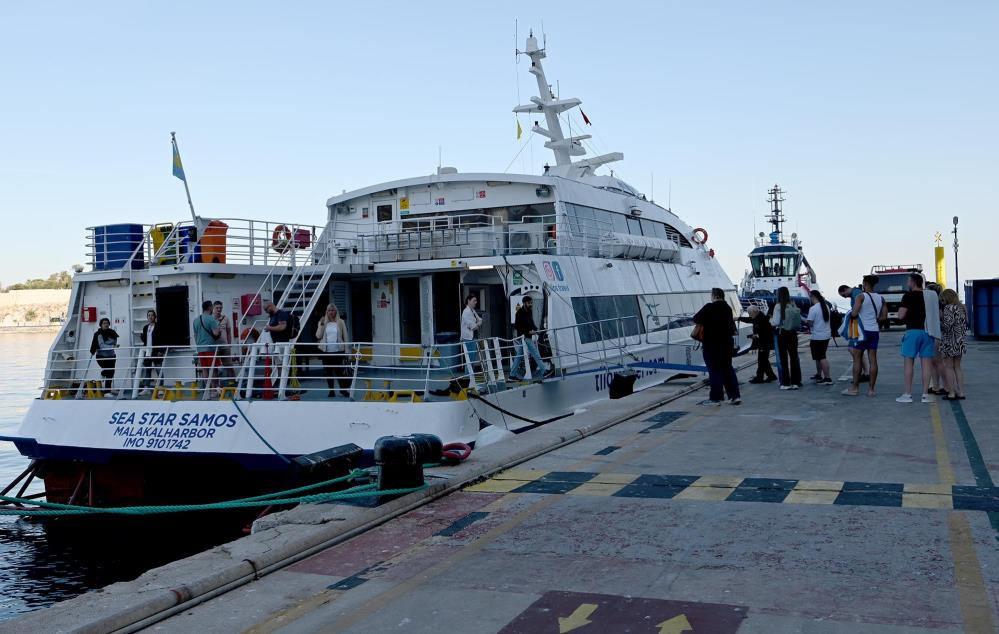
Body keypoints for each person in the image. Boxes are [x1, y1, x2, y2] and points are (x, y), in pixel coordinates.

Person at [693, 288, 741, 405]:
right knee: (728, 369)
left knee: (714, 371)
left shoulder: (709, 307)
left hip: (711, 344)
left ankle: (716, 398)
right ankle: (734, 396)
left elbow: (695, 319)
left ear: (714, 296)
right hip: (726, 344)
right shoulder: (728, 308)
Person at [896, 273, 938, 403]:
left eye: (908, 281)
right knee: (926, 365)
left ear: (913, 282)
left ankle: (908, 394)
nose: (907, 283)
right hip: (928, 331)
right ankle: (925, 394)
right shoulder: (931, 296)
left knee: (909, 363)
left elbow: (900, 315)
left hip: (912, 331)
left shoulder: (908, 296)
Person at [842, 275, 886, 397]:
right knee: (873, 360)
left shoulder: (860, 296)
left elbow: (855, 313)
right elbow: (883, 317)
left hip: (862, 332)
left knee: (857, 359)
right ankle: (871, 390)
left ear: (865, 283)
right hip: (874, 331)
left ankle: (855, 388)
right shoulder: (881, 298)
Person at [509, 296, 552, 381]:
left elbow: (531, 323)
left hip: (527, 336)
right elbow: (517, 326)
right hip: (524, 337)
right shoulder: (519, 313)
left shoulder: (529, 311)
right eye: (529, 303)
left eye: (531, 303)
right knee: (535, 353)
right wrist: (528, 332)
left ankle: (511, 376)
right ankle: (544, 371)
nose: (531, 304)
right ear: (524, 303)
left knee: (519, 356)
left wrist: (537, 330)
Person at [316, 303, 351, 398]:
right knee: (328, 372)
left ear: (336, 311)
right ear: (326, 312)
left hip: (338, 351)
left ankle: (343, 390)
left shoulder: (341, 322)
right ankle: (331, 390)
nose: (331, 312)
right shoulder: (323, 322)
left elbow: (346, 337)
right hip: (326, 351)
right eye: (329, 310)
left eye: (333, 310)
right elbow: (318, 336)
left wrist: (347, 351)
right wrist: (321, 324)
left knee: (339, 371)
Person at [938, 288, 967, 400]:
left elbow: (947, 327)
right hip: (959, 341)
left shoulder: (949, 308)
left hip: (950, 342)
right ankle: (961, 392)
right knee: (958, 367)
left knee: (948, 367)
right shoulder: (962, 308)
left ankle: (951, 393)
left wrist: (939, 320)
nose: (942, 302)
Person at [770, 287, 802, 390]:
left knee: (783, 359)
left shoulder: (778, 306)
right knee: (794, 358)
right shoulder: (793, 304)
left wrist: (770, 320)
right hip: (793, 333)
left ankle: (785, 383)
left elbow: (775, 322)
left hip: (782, 333)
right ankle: (796, 382)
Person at [838, 283, 869, 381]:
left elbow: (857, 309)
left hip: (858, 325)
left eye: (843, 295)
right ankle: (866, 372)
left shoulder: (856, 293)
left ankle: (863, 373)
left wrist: (851, 315)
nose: (844, 297)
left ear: (845, 289)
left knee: (853, 349)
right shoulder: (856, 293)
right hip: (857, 325)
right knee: (856, 350)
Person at [738, 306, 777, 384]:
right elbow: (749, 320)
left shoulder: (761, 319)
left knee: (761, 360)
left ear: (755, 312)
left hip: (764, 342)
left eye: (750, 313)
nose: (749, 315)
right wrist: (739, 318)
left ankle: (760, 377)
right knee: (764, 360)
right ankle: (771, 376)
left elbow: (764, 332)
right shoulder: (758, 317)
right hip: (764, 342)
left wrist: (755, 336)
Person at [192, 300, 222, 394]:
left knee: (205, 369)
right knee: (213, 369)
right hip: (210, 347)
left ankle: (207, 390)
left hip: (200, 348)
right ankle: (214, 390)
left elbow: (195, 336)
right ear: (210, 307)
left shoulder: (196, 320)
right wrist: (219, 330)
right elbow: (216, 333)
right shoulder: (211, 319)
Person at [805, 290, 833, 384]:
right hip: (826, 335)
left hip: (817, 336)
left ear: (812, 297)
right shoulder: (826, 306)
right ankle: (819, 374)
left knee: (821, 357)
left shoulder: (813, 309)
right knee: (818, 357)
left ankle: (827, 378)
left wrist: (805, 321)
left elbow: (810, 323)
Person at [924, 282, 947, 394]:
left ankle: (946, 386)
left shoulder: (937, 304)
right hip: (933, 333)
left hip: (936, 333)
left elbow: (941, 317)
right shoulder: (937, 303)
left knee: (938, 361)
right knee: (933, 361)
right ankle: (936, 386)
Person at [89, 317, 119, 398]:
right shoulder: (98, 334)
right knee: (107, 371)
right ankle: (106, 391)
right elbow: (102, 346)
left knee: (111, 373)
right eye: (104, 323)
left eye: (107, 323)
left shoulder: (112, 332)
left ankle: (108, 390)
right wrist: (112, 345)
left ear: (109, 324)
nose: (106, 324)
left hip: (112, 356)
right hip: (101, 356)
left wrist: (109, 344)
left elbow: (115, 341)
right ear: (101, 325)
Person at [139, 310, 165, 394]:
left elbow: (163, 339)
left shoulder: (159, 327)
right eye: (148, 315)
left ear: (155, 317)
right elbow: (145, 341)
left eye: (152, 315)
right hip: (148, 351)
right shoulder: (145, 327)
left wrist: (161, 351)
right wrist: (142, 337)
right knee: (147, 370)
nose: (150, 317)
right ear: (147, 317)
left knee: (158, 369)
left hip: (156, 351)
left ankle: (160, 388)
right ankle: (146, 388)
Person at [459, 294, 483, 366]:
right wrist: (478, 324)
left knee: (472, 359)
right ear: (469, 301)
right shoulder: (466, 312)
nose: (476, 302)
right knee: (470, 359)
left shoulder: (472, 311)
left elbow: (480, 320)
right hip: (468, 339)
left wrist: (477, 324)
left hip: (472, 337)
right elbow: (473, 326)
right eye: (474, 300)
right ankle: (468, 376)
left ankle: (470, 376)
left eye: (476, 301)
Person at [213, 301, 234, 376]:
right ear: (213, 308)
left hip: (224, 345)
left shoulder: (226, 319)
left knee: (229, 364)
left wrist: (229, 344)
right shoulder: (210, 319)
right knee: (214, 366)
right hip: (214, 346)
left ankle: (232, 381)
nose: (219, 309)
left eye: (220, 308)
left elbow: (228, 332)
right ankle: (216, 385)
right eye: (217, 308)